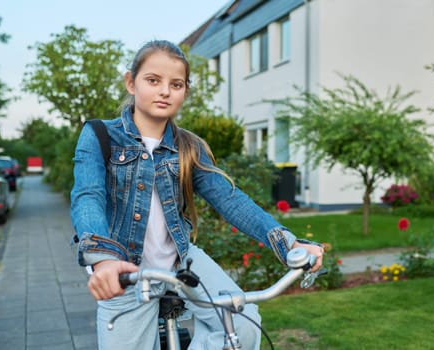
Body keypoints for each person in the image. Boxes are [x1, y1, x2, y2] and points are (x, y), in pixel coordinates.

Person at [70, 39, 324, 349]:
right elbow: (88, 196)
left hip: (180, 259)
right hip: (125, 269)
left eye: (176, 84)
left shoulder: (189, 146)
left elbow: (230, 200)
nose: (165, 91)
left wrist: (289, 243)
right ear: (130, 82)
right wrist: (104, 260)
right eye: (153, 80)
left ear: (185, 91)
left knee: (241, 325)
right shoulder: (99, 134)